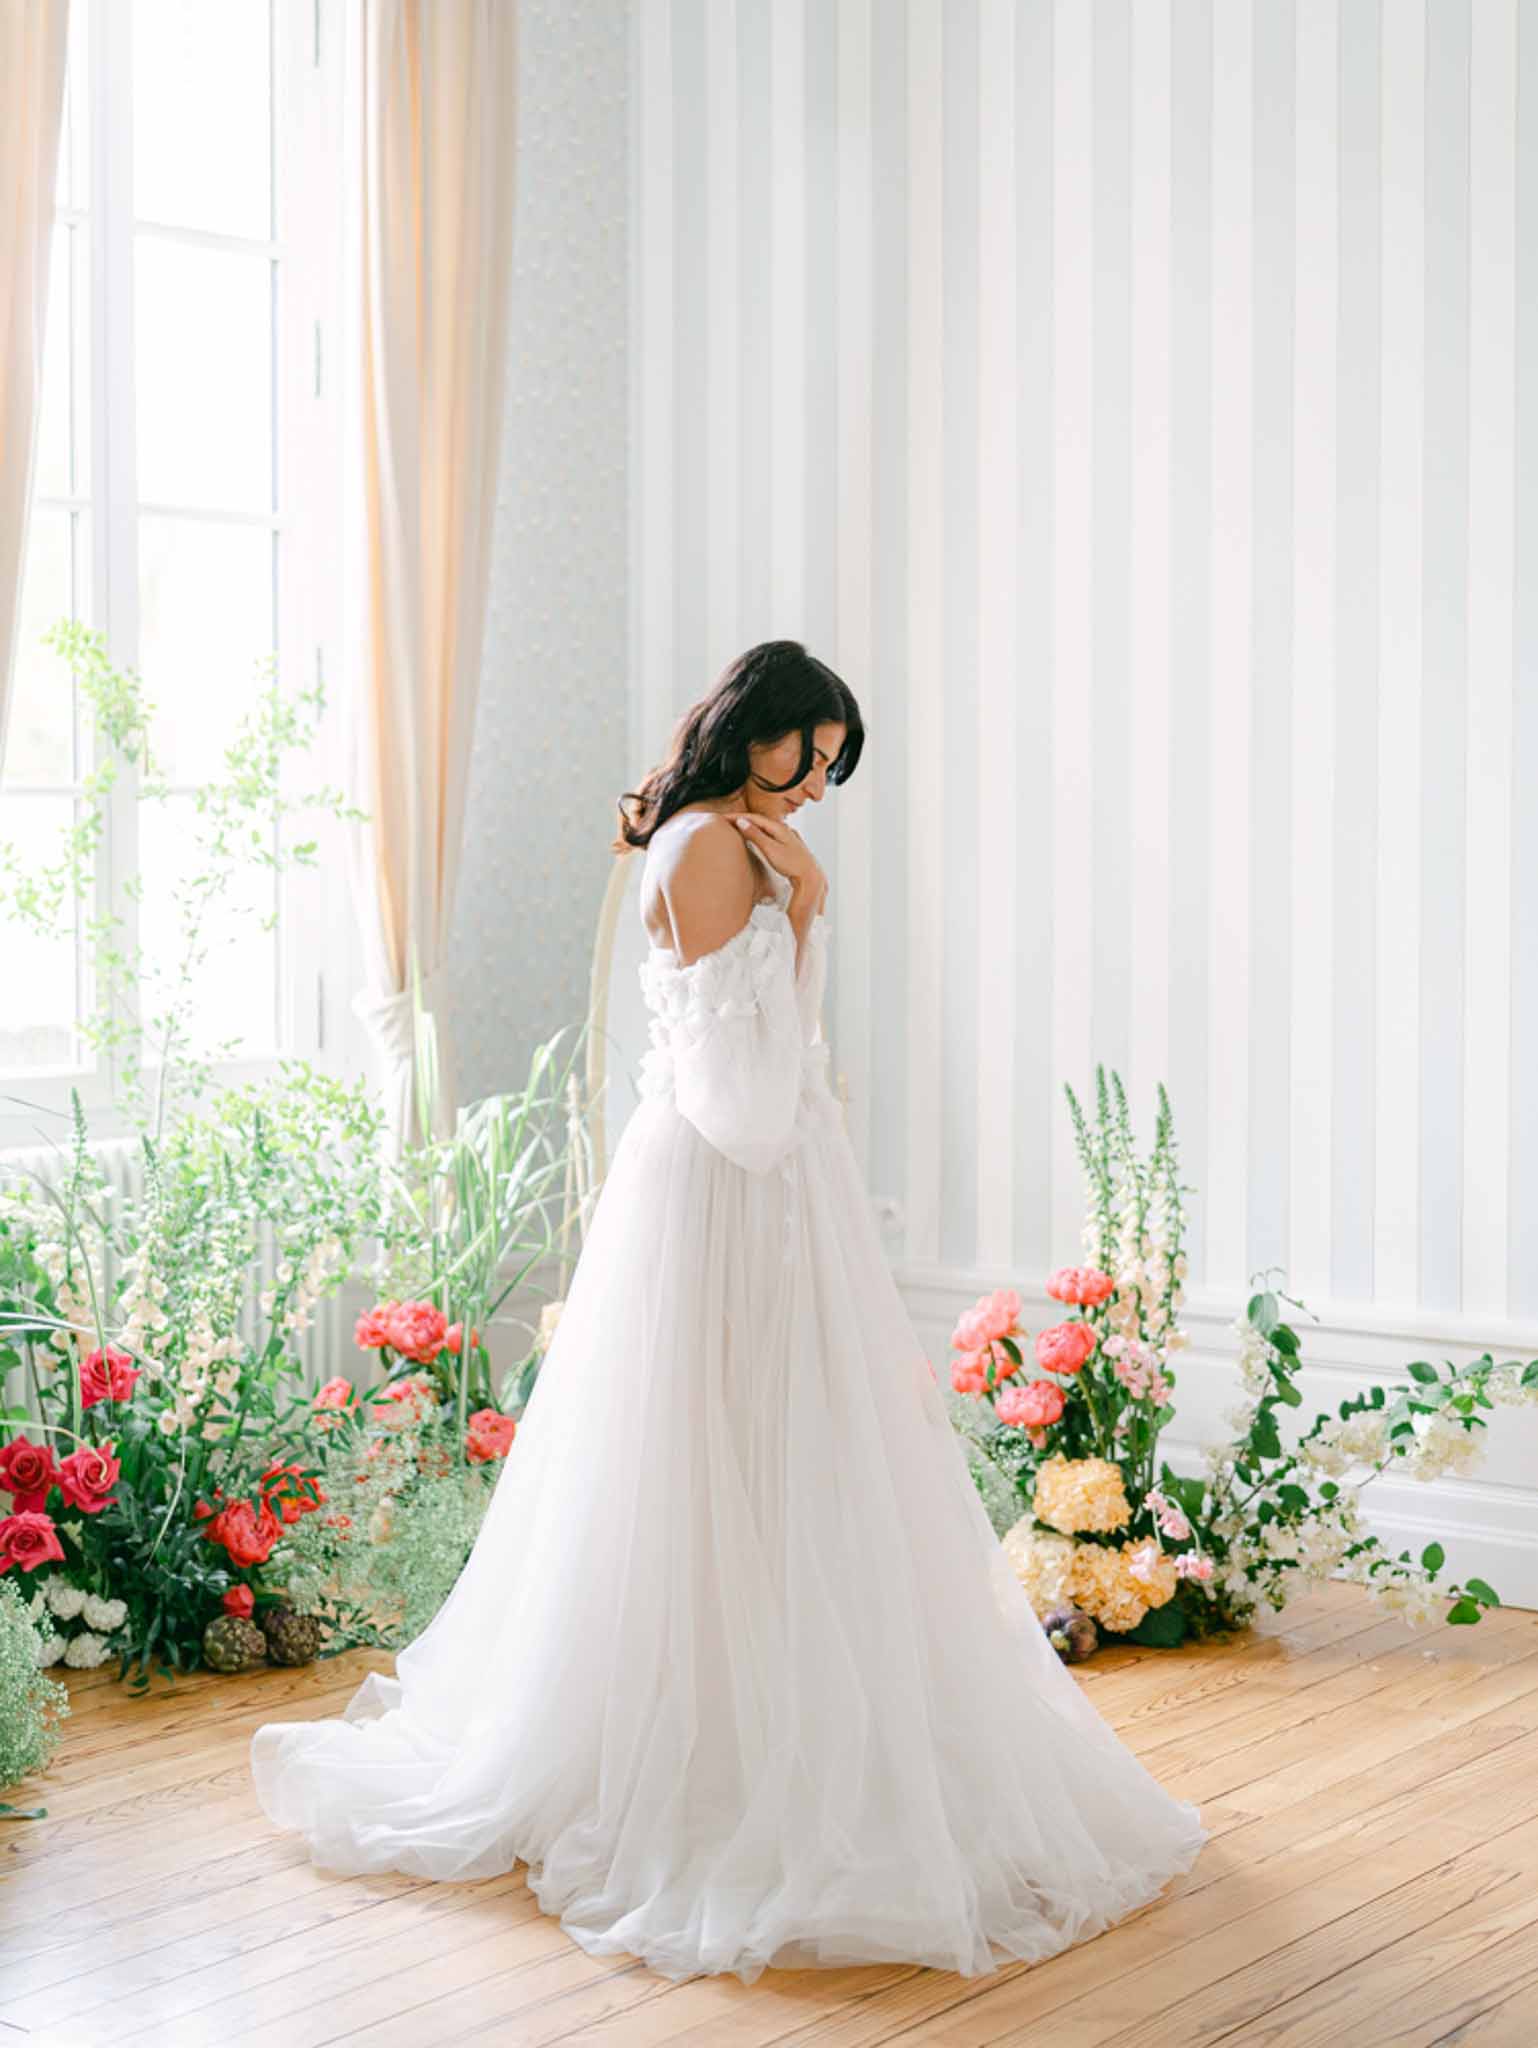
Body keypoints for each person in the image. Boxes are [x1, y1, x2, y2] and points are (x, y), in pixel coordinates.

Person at [249, 639, 1207, 1985]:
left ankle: (779, 1726)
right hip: (727, 1195)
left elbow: (771, 1067)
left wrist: (804, 913)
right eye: (807, 754)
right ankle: (714, 1753)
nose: (815, 785)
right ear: (752, 728)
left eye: (833, 767)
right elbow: (746, 1101)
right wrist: (808, 910)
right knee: (721, 1456)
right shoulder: (709, 846)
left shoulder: (729, 838)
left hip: (752, 1188)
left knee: (772, 1463)